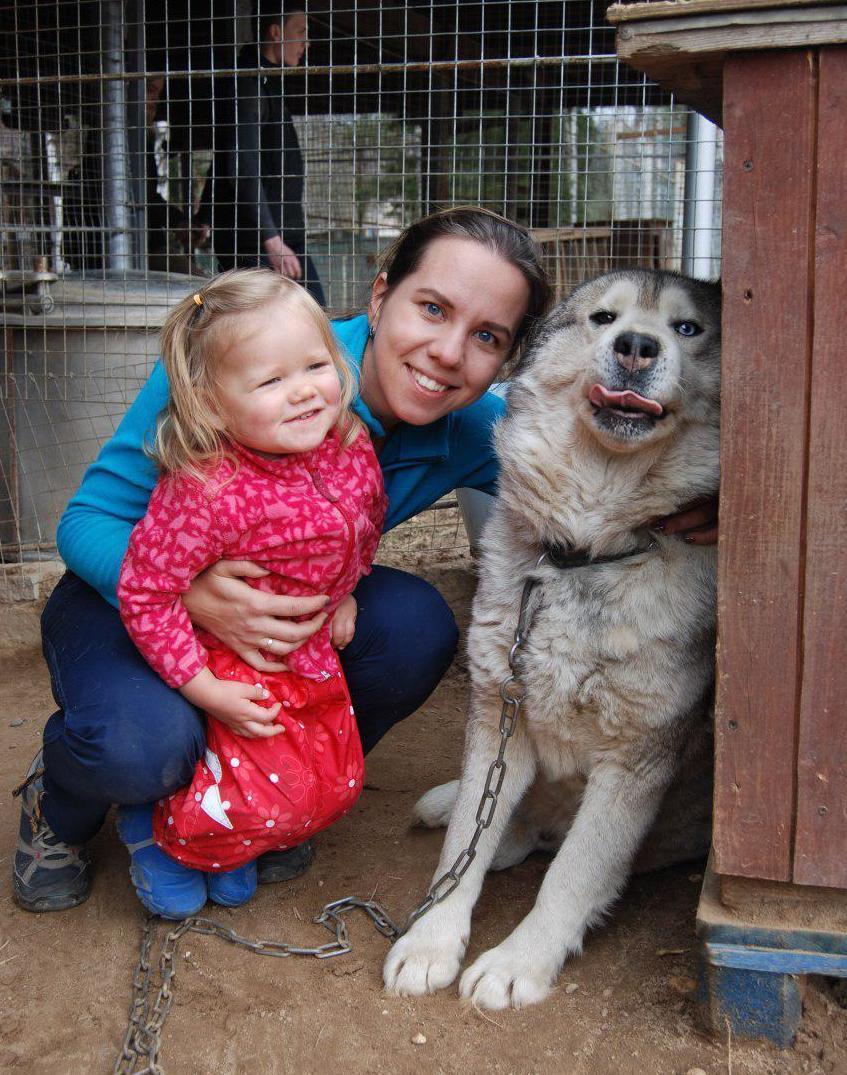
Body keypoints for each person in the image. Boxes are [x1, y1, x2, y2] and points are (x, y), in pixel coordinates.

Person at [12, 206, 715, 915]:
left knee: (413, 627)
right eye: (432, 308)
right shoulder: (245, 357)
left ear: (506, 360)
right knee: (141, 748)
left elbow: (581, 457)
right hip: (127, 598)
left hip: (286, 620)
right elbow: (83, 523)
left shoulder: (470, 429)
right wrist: (197, 596)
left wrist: (727, 503)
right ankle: (60, 805)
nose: (446, 351)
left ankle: (270, 793)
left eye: (485, 337)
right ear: (380, 297)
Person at [115, 270, 385, 917]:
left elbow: (364, 520)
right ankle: (156, 833)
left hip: (306, 644)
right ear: (211, 403)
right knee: (260, 773)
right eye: (270, 381)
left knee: (329, 775)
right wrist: (202, 687)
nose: (303, 393)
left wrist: (347, 590)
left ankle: (228, 845)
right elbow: (144, 593)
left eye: (315, 365)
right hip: (228, 657)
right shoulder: (206, 487)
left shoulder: (348, 442)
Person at [200, 3, 325, 303]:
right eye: (301, 32)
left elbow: (225, 158)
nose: (307, 42)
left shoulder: (265, 81)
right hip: (260, 240)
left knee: (315, 314)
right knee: (306, 315)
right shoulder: (248, 85)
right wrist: (272, 240)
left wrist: (204, 214)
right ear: (276, 32)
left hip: (279, 234)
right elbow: (240, 163)